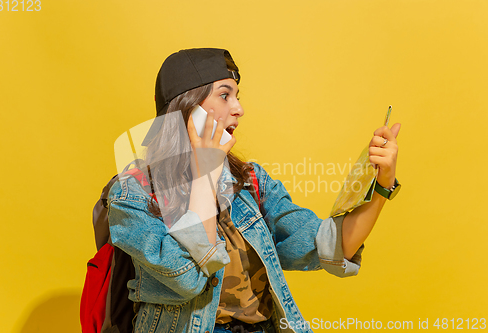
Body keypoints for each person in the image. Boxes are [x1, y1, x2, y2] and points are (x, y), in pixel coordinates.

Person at [107, 48, 401, 333]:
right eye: (224, 95)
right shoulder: (133, 193)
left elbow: (330, 245)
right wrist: (203, 173)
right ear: (188, 108)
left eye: (237, 96)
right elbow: (186, 279)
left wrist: (381, 185)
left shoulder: (249, 180)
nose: (239, 109)